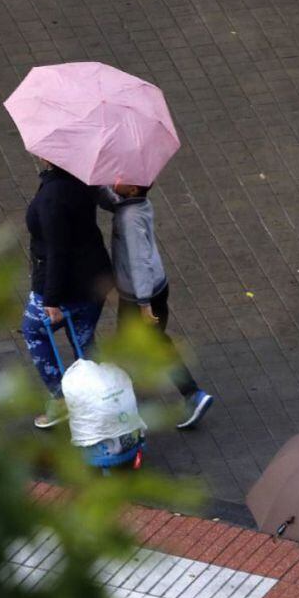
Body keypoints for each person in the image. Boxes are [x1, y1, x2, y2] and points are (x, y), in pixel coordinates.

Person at [99, 184, 213, 429]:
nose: (115, 178)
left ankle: (188, 395)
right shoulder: (137, 204)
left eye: (121, 178)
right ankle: (191, 395)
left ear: (131, 189)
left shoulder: (130, 219)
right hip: (154, 287)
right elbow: (110, 202)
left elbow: (139, 262)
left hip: (140, 296)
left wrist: (143, 303)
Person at [21, 161, 113, 429]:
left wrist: (51, 299)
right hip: (94, 282)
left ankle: (61, 399)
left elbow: (57, 252)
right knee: (83, 341)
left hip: (64, 287)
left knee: (34, 331)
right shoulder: (83, 178)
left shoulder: (53, 196)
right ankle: (102, 399)